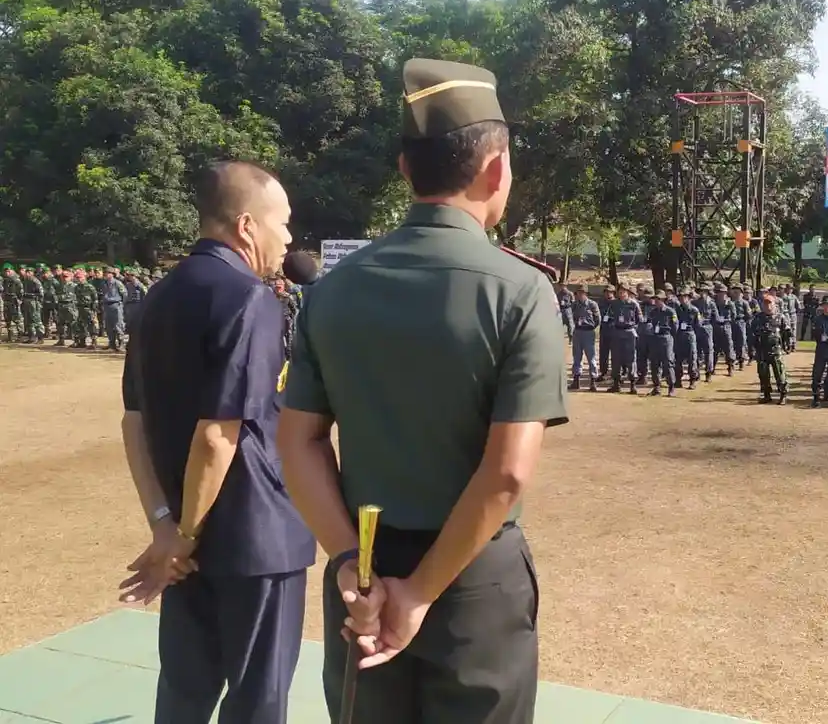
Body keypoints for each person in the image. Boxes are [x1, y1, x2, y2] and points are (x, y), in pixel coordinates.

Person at [278, 58, 568, 724]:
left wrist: (349, 560)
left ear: (406, 170)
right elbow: (505, 474)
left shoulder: (332, 291)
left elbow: (297, 442)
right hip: (472, 581)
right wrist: (420, 594)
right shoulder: (521, 292)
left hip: (363, 578)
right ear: (497, 168)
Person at [117, 160, 315, 724]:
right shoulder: (249, 297)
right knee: (258, 700)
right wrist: (181, 537)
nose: (289, 239)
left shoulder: (157, 296)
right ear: (248, 225)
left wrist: (168, 526)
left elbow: (134, 423)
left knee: (185, 693)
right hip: (254, 542)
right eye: (283, 222)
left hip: (186, 540)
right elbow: (217, 435)